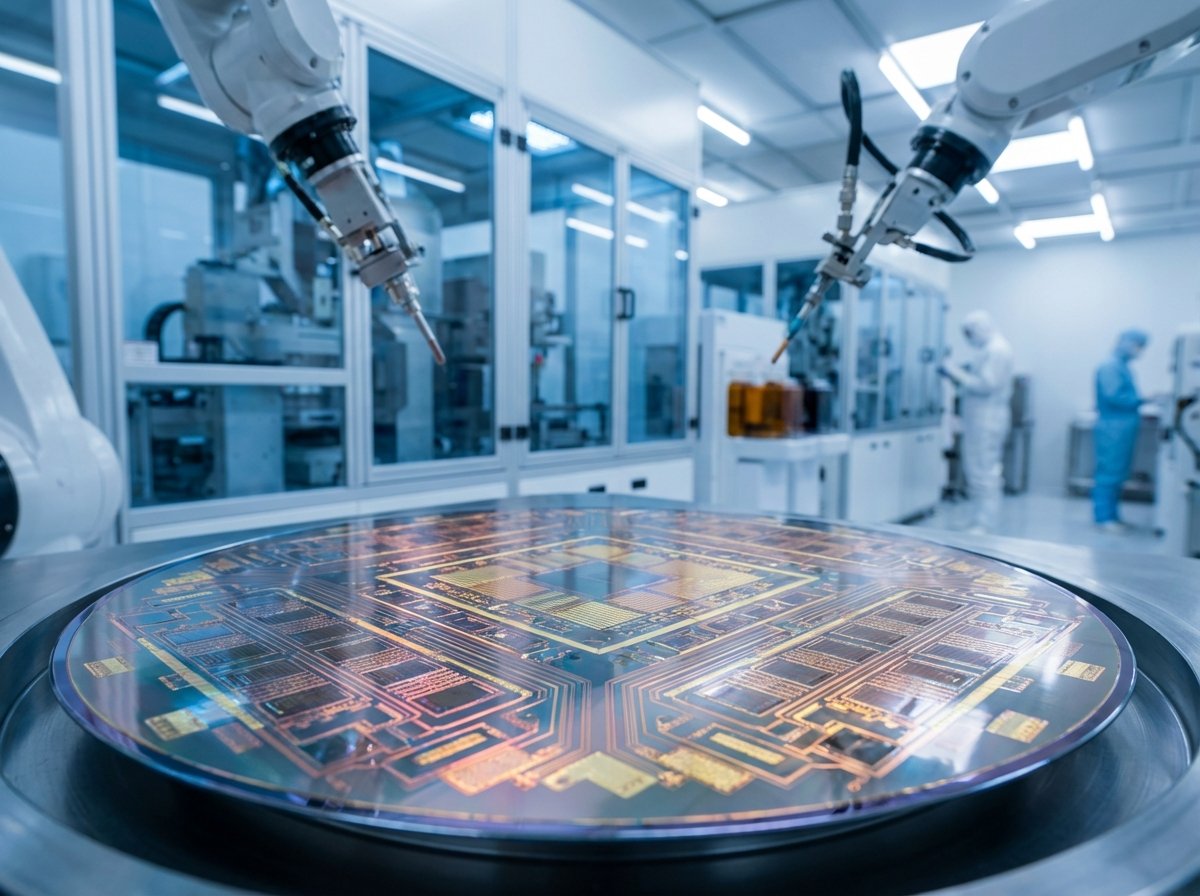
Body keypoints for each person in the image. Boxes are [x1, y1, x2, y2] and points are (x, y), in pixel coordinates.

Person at [939, 311, 1014, 534]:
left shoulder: (997, 350)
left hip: (987, 418)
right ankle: (977, 519)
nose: (969, 337)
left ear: (982, 327)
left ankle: (985, 523)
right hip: (979, 417)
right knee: (976, 471)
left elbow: (986, 385)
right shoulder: (988, 350)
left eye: (970, 332)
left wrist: (954, 372)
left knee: (984, 472)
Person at [1092, 329, 1149, 531]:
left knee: (1117, 473)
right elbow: (1113, 396)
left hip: (1121, 427)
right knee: (1109, 472)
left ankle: (1113, 515)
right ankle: (1104, 518)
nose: (1139, 350)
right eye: (1138, 345)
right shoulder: (1110, 366)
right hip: (1113, 428)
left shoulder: (1122, 366)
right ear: (1125, 342)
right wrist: (1143, 400)